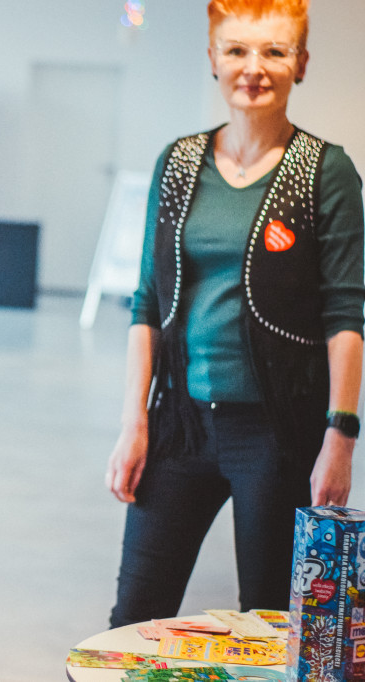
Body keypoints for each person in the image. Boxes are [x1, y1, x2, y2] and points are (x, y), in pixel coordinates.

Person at [104, 0, 364, 627]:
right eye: (238, 50)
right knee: (135, 615)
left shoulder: (325, 171)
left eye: (274, 51)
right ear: (214, 59)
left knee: (270, 622)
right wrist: (134, 421)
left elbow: (346, 314)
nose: (255, 67)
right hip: (179, 426)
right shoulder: (180, 162)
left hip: (277, 433)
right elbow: (146, 301)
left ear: (300, 64)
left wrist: (341, 437)